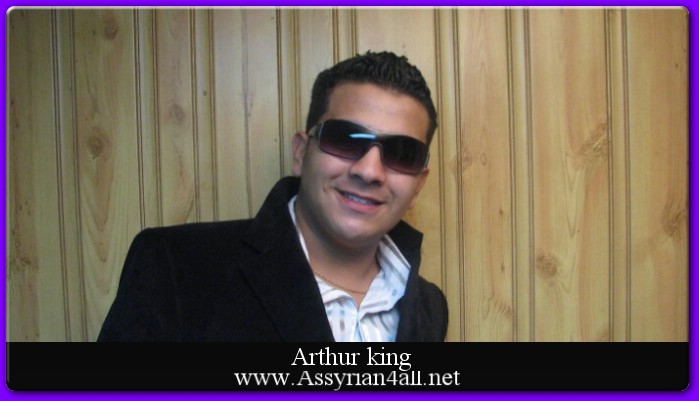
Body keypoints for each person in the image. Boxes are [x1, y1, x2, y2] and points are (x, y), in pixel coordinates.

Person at [98, 51, 448, 342]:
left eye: (402, 153)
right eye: (344, 139)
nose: (369, 171)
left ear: (418, 185)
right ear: (301, 153)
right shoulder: (176, 268)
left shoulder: (430, 307)